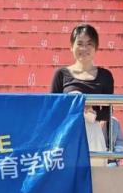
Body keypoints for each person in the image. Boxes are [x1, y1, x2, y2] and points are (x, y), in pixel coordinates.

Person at [50, 24, 116, 165]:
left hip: (93, 134)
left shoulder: (105, 76)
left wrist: (90, 110)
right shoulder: (61, 75)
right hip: (67, 133)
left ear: (96, 47)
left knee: (95, 175)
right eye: (79, 43)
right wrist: (74, 107)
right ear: (71, 46)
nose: (84, 48)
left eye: (89, 44)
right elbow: (52, 109)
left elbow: (107, 112)